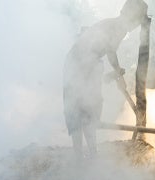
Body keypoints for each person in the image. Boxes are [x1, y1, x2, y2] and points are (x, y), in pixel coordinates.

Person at [63, 0, 149, 156]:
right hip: (78, 64)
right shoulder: (119, 27)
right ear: (132, 17)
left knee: (87, 107)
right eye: (138, 21)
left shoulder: (114, 25)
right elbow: (110, 51)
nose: (137, 26)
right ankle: (83, 154)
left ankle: (89, 153)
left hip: (84, 63)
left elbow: (104, 52)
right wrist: (117, 74)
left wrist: (113, 74)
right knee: (81, 107)